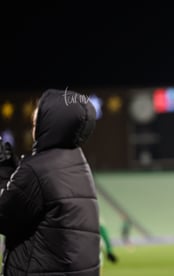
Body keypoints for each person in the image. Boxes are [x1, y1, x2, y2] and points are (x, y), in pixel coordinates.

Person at [0, 89, 100, 275]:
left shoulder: (38, 169)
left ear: (52, 124)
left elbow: (4, 216)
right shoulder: (77, 163)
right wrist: (15, 172)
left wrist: (3, 169)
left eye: (37, 122)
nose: (34, 128)